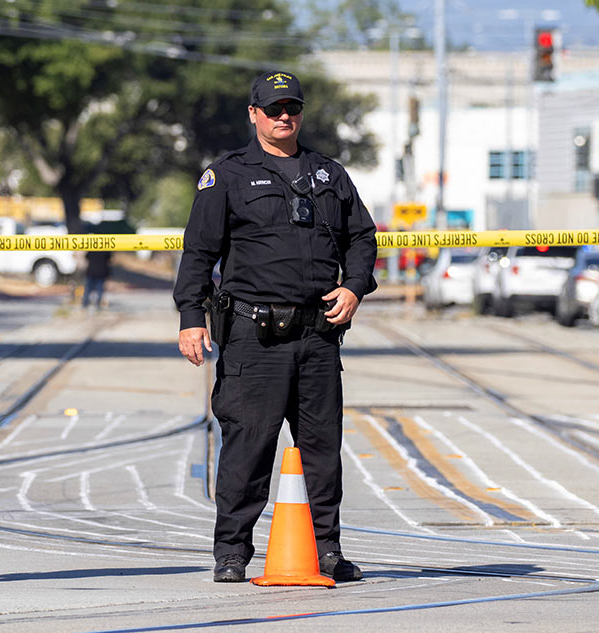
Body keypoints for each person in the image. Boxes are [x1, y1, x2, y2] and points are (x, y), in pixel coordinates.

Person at [173, 71, 377, 583]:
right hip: (254, 338)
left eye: (292, 108)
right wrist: (191, 319)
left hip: (317, 336)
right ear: (254, 114)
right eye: (274, 108)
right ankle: (232, 553)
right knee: (248, 447)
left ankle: (326, 550)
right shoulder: (228, 176)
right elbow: (198, 254)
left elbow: (362, 237)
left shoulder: (329, 174)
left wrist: (354, 287)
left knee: (322, 450)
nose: (284, 116)